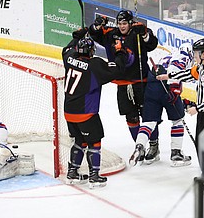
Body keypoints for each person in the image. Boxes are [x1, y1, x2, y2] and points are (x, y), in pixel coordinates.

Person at [62, 34, 129, 189]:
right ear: (91, 51)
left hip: (68, 112)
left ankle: (72, 172)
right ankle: (94, 176)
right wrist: (120, 52)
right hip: (86, 114)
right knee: (95, 142)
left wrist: (77, 36)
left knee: (80, 141)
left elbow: (66, 49)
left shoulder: (69, 57)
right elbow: (117, 70)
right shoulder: (95, 65)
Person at [88, 10, 159, 145]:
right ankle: (139, 145)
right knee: (131, 117)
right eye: (119, 23)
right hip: (122, 83)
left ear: (130, 23)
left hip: (141, 82)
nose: (122, 26)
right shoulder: (111, 34)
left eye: (125, 23)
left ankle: (154, 144)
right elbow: (94, 34)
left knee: (148, 115)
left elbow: (152, 44)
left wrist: (144, 34)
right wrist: (96, 25)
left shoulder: (138, 32)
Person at [129, 42, 194, 167]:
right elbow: (175, 68)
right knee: (178, 121)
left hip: (152, 86)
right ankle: (176, 154)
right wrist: (174, 90)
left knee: (149, 122)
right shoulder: (183, 56)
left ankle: (140, 146)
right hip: (167, 86)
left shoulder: (166, 57)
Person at [156, 38, 204, 158]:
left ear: (203, 55)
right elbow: (188, 74)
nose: (194, 57)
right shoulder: (200, 68)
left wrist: (198, 108)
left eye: (196, 54)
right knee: (200, 143)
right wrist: (168, 76)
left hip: (202, 110)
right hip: (202, 113)